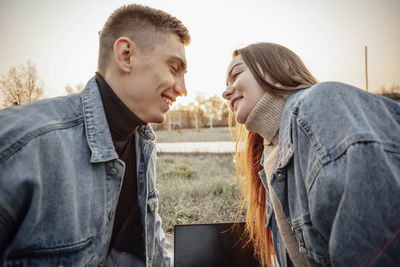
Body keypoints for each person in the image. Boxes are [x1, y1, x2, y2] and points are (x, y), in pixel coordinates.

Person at [0, 4, 190, 266]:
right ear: (126, 55)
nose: (183, 89)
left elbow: (151, 235)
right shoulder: (19, 146)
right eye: (173, 67)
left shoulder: (143, 139)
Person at [222, 42, 400, 267]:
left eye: (236, 74)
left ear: (284, 68)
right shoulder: (269, 154)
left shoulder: (319, 104)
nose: (225, 92)